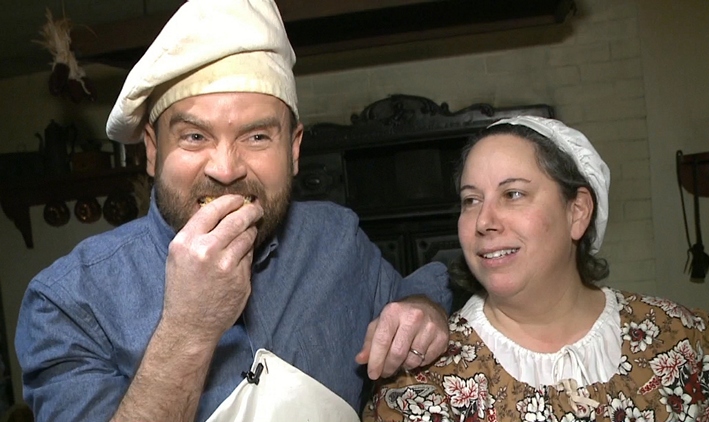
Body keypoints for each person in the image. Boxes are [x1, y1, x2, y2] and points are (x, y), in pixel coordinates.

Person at [14, 0, 452, 420]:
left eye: (257, 137)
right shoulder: (67, 301)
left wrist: (422, 308)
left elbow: (414, 294)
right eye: (194, 137)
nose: (225, 170)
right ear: (151, 150)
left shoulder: (336, 237)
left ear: (294, 150)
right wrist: (189, 329)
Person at [364, 116, 709, 421]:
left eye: (513, 194)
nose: (484, 220)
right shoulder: (421, 383)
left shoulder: (687, 343)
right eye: (470, 200)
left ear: (577, 212)